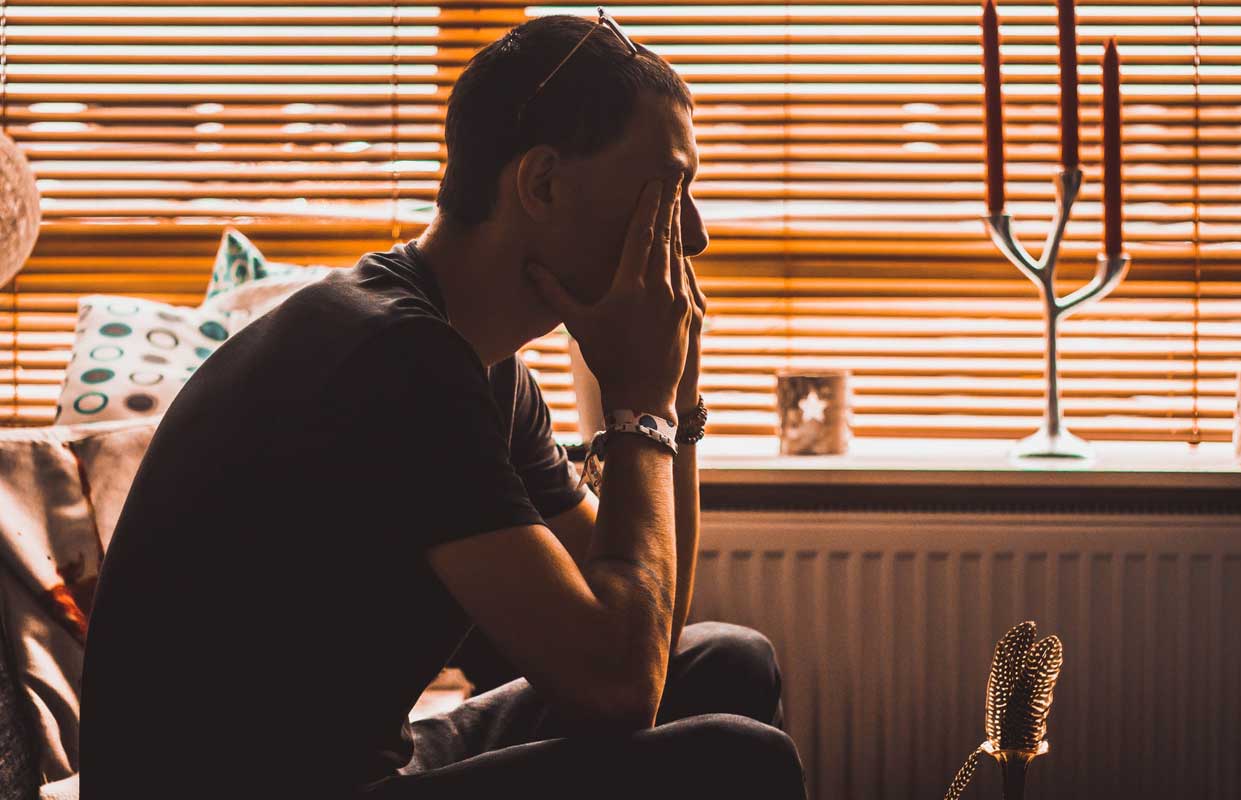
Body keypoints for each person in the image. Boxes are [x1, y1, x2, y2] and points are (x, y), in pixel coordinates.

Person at [80, 12, 807, 800]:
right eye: (667, 190)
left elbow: (646, 635)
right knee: (741, 758)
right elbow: (618, 683)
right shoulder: (394, 359)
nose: (693, 237)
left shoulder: (481, 369)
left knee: (729, 659)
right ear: (542, 184)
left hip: (354, 768)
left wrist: (675, 403)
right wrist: (639, 407)